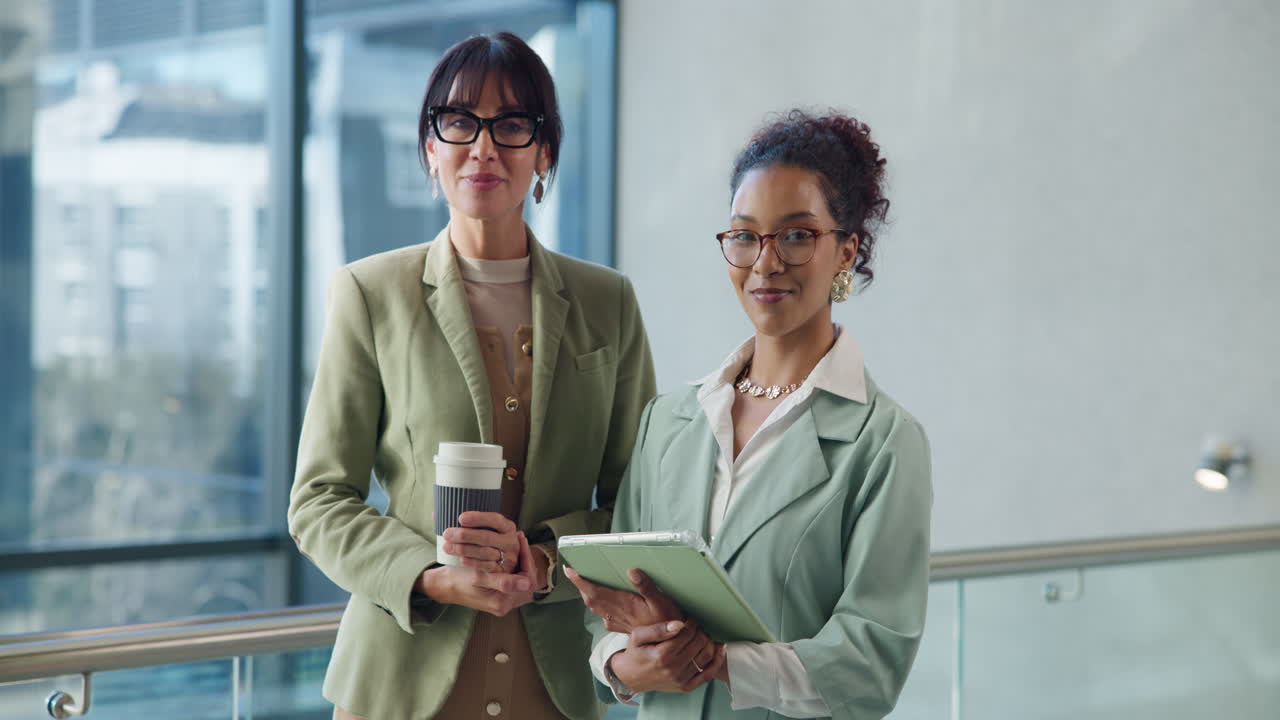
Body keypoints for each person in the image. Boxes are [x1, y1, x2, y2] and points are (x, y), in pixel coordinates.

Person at [288, 32, 655, 720]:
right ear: (431, 148)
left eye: (512, 125)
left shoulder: (607, 302)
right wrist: (430, 576)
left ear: (545, 152)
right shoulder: (372, 294)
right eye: (459, 122)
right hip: (398, 688)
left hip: (556, 686)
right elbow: (318, 501)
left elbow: (640, 503)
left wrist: (544, 563)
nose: (483, 147)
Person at [566, 110, 932, 719]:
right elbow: (607, 613)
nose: (765, 262)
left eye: (796, 236)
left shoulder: (885, 443)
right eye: (744, 236)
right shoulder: (668, 422)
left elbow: (871, 665)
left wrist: (716, 661)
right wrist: (626, 664)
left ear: (846, 251)